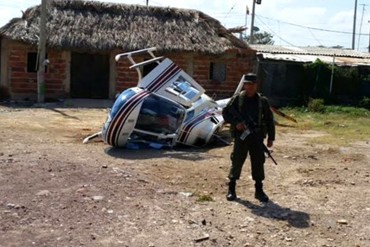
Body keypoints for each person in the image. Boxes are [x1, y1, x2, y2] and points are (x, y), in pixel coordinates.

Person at [222, 73, 275, 202]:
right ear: (244, 85)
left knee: (258, 162)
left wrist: (271, 138)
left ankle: (259, 190)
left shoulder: (262, 101)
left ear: (256, 85)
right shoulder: (237, 99)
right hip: (241, 137)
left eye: (252, 84)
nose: (250, 87)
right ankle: (232, 189)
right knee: (237, 161)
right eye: (247, 84)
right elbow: (225, 113)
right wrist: (236, 123)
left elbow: (269, 119)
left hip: (256, 137)